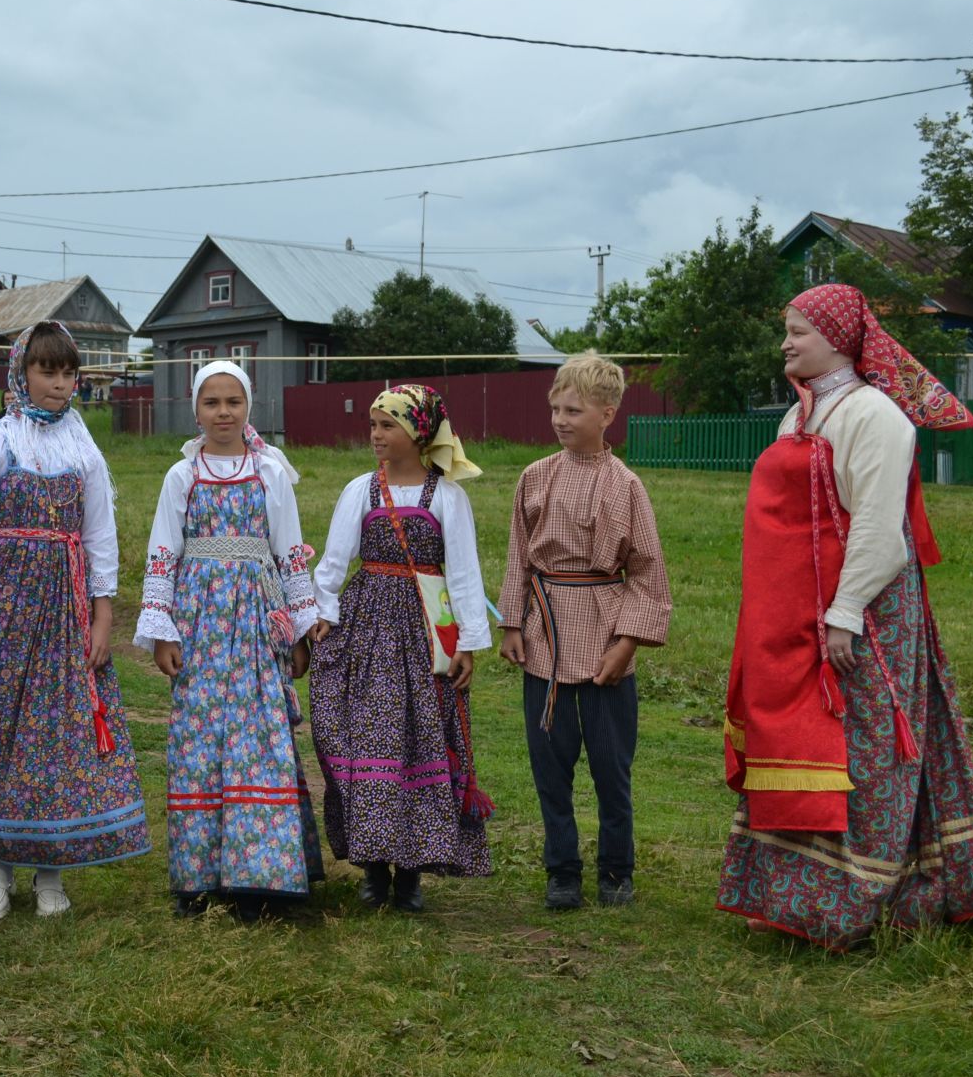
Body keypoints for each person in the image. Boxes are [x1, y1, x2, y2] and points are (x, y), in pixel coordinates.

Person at [717, 284, 973, 950]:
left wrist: (845, 613)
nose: (786, 343)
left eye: (798, 331)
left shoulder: (876, 417)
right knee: (801, 739)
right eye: (786, 330)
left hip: (865, 614)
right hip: (799, 615)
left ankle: (863, 902)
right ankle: (797, 898)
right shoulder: (797, 419)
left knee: (870, 753)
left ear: (839, 340)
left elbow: (881, 532)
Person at [0, 320, 147, 919]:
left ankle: (51, 871)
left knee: (61, 736)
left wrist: (103, 615)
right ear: (21, 373)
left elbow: (99, 536)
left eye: (68, 373)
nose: (60, 384)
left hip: (67, 608)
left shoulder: (83, 451)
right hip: (10, 607)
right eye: (47, 371)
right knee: (7, 730)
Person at [135, 361, 321, 921]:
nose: (223, 412)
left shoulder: (269, 471)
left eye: (233, 402)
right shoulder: (181, 476)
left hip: (258, 622)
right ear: (195, 410)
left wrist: (301, 628)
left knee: (258, 736)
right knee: (200, 740)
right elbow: (163, 553)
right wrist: (162, 630)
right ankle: (197, 878)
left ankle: (258, 877)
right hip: (200, 624)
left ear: (249, 407)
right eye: (212, 403)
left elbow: (289, 551)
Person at [497, 353, 672, 911]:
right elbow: (518, 556)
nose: (561, 419)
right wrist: (511, 623)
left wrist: (626, 644)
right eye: (555, 408)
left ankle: (617, 870)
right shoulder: (534, 477)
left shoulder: (626, 487)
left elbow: (647, 571)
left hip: (603, 635)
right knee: (550, 765)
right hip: (545, 632)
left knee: (610, 766)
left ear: (608, 414)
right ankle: (562, 870)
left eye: (574, 409)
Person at [310, 384, 492, 913]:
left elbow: (463, 575)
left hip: (426, 636)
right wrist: (323, 614)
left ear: (418, 431)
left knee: (419, 742)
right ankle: (372, 865)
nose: (375, 436)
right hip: (368, 631)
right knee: (368, 741)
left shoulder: (448, 498)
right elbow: (335, 560)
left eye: (387, 426)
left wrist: (469, 643)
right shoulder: (360, 490)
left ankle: (411, 871)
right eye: (373, 426)